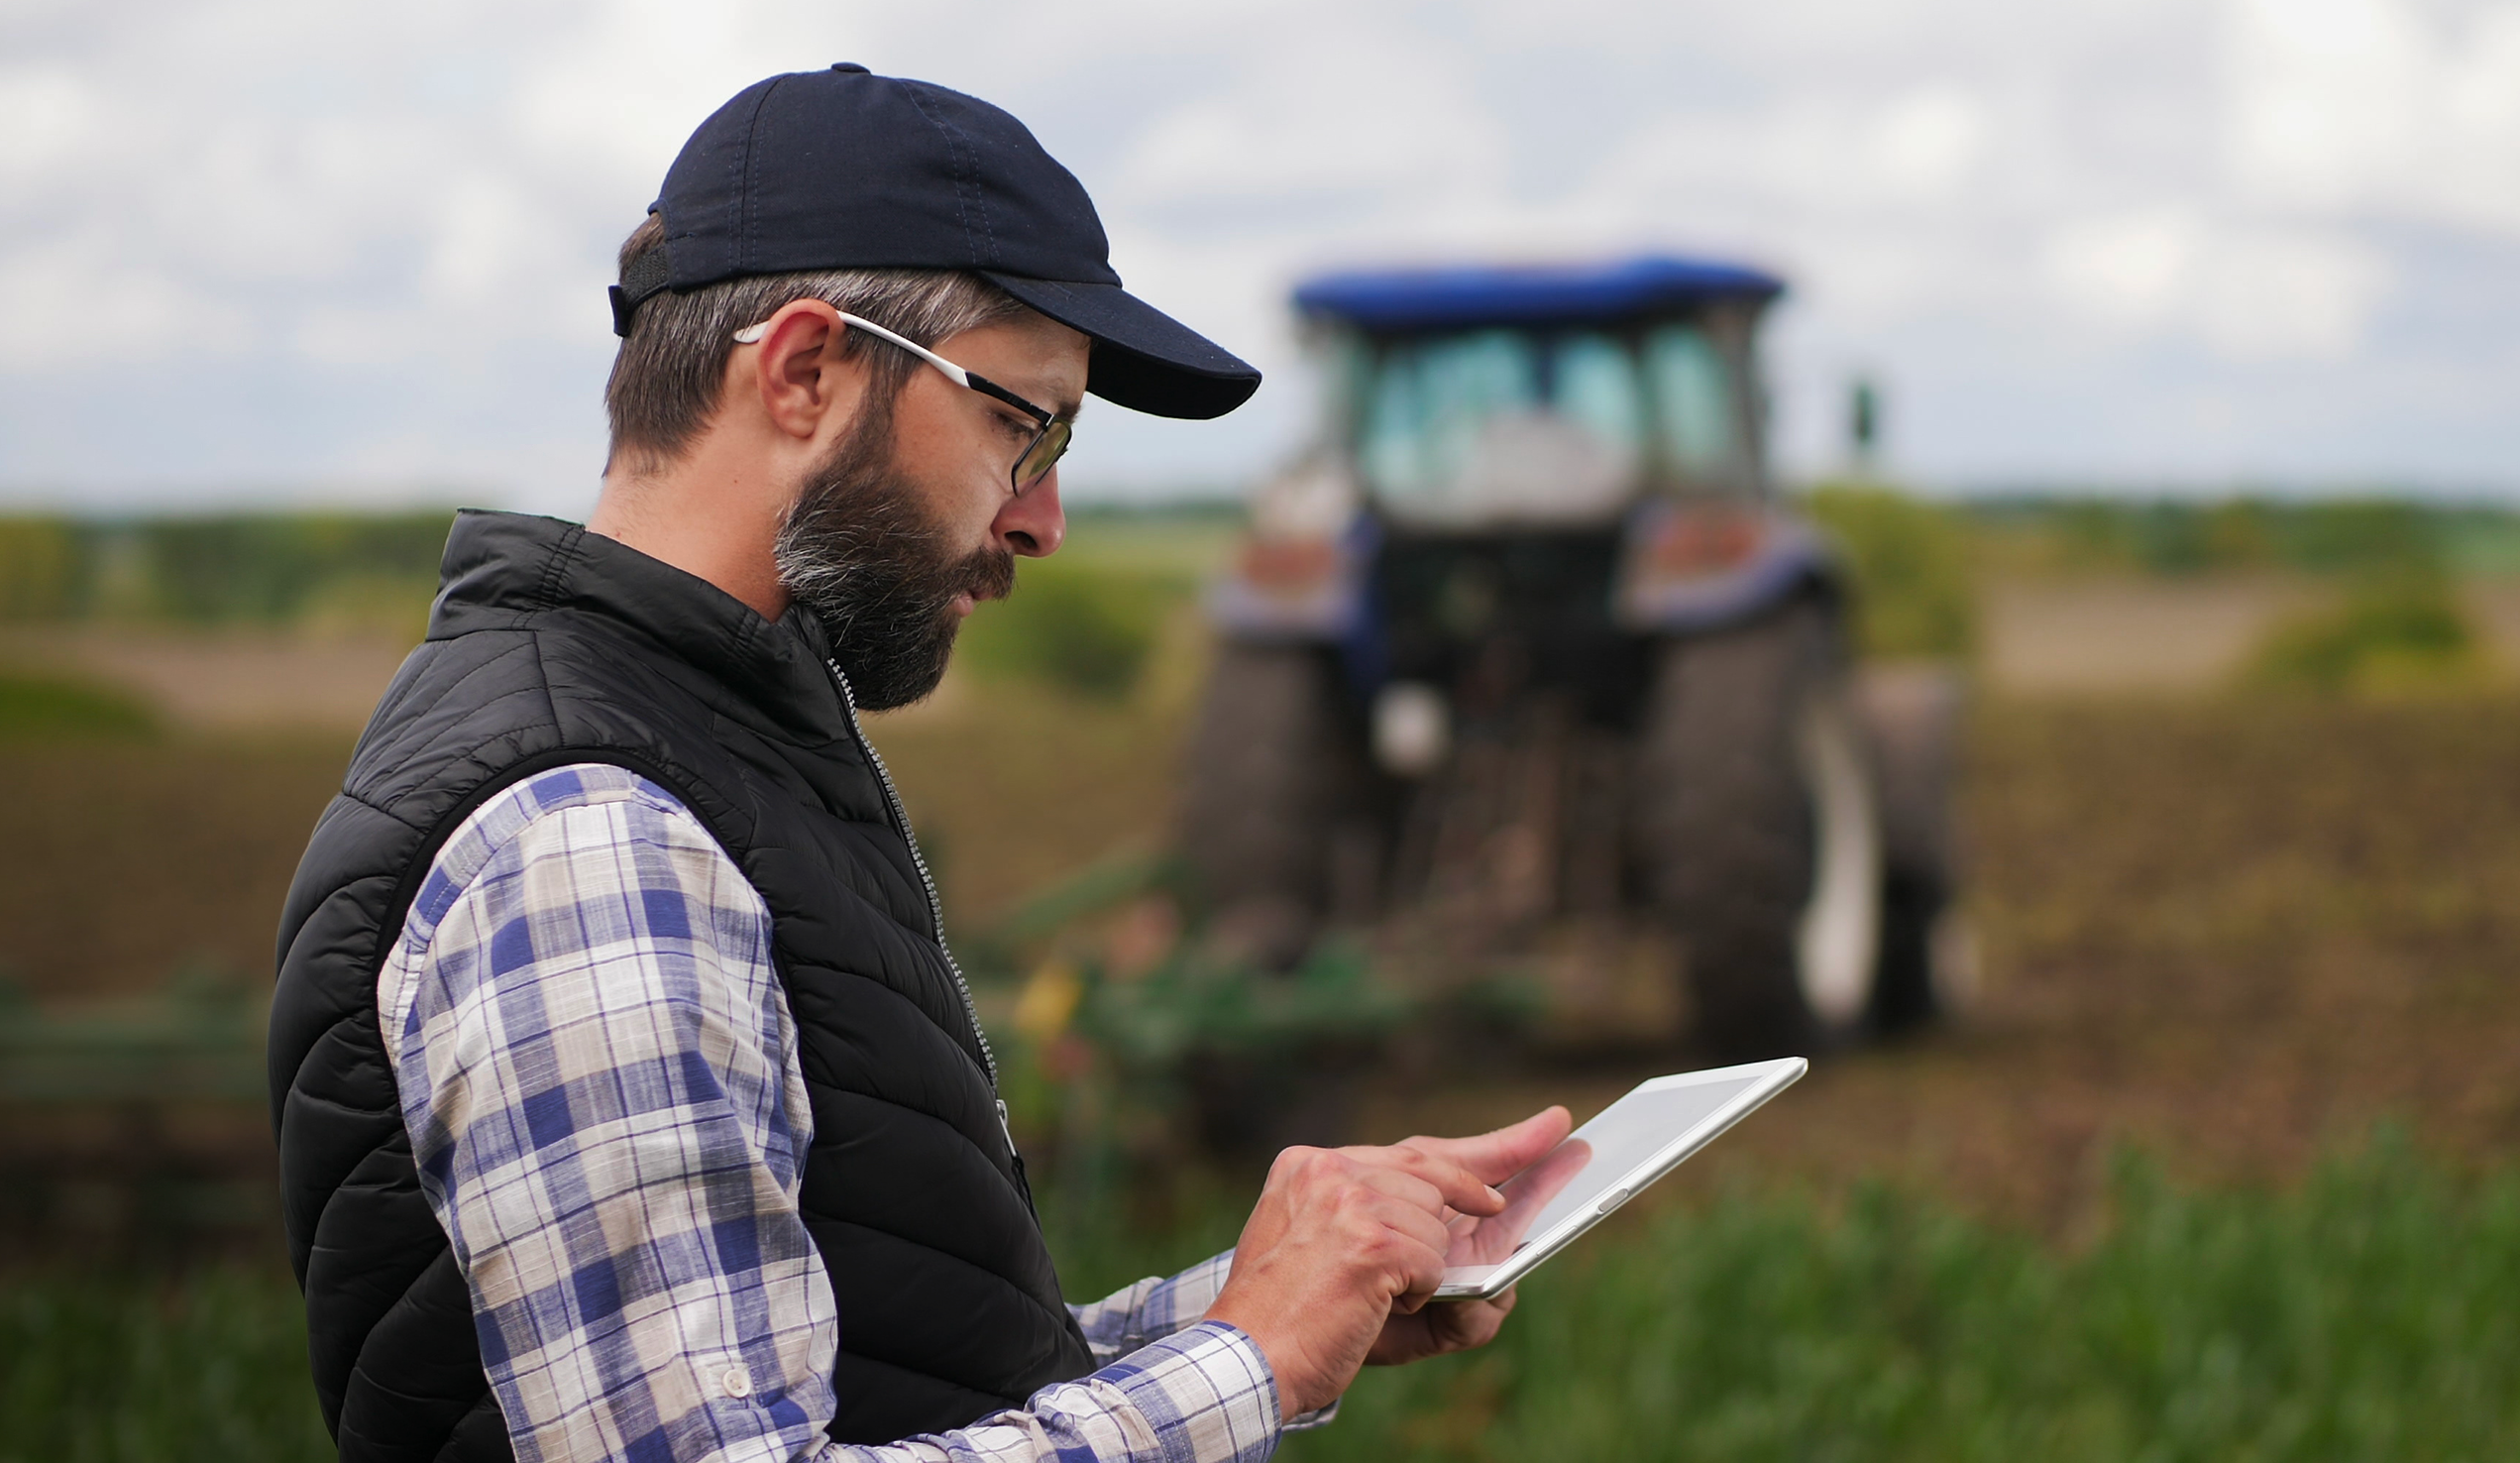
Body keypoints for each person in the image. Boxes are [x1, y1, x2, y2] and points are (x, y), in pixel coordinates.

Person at [267, 64, 1570, 1463]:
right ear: (807, 372)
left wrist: (1283, 1305)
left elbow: (872, 1370)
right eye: (1024, 425)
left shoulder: (711, 753)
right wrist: (1249, 1365)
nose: (1046, 520)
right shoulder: (593, 835)